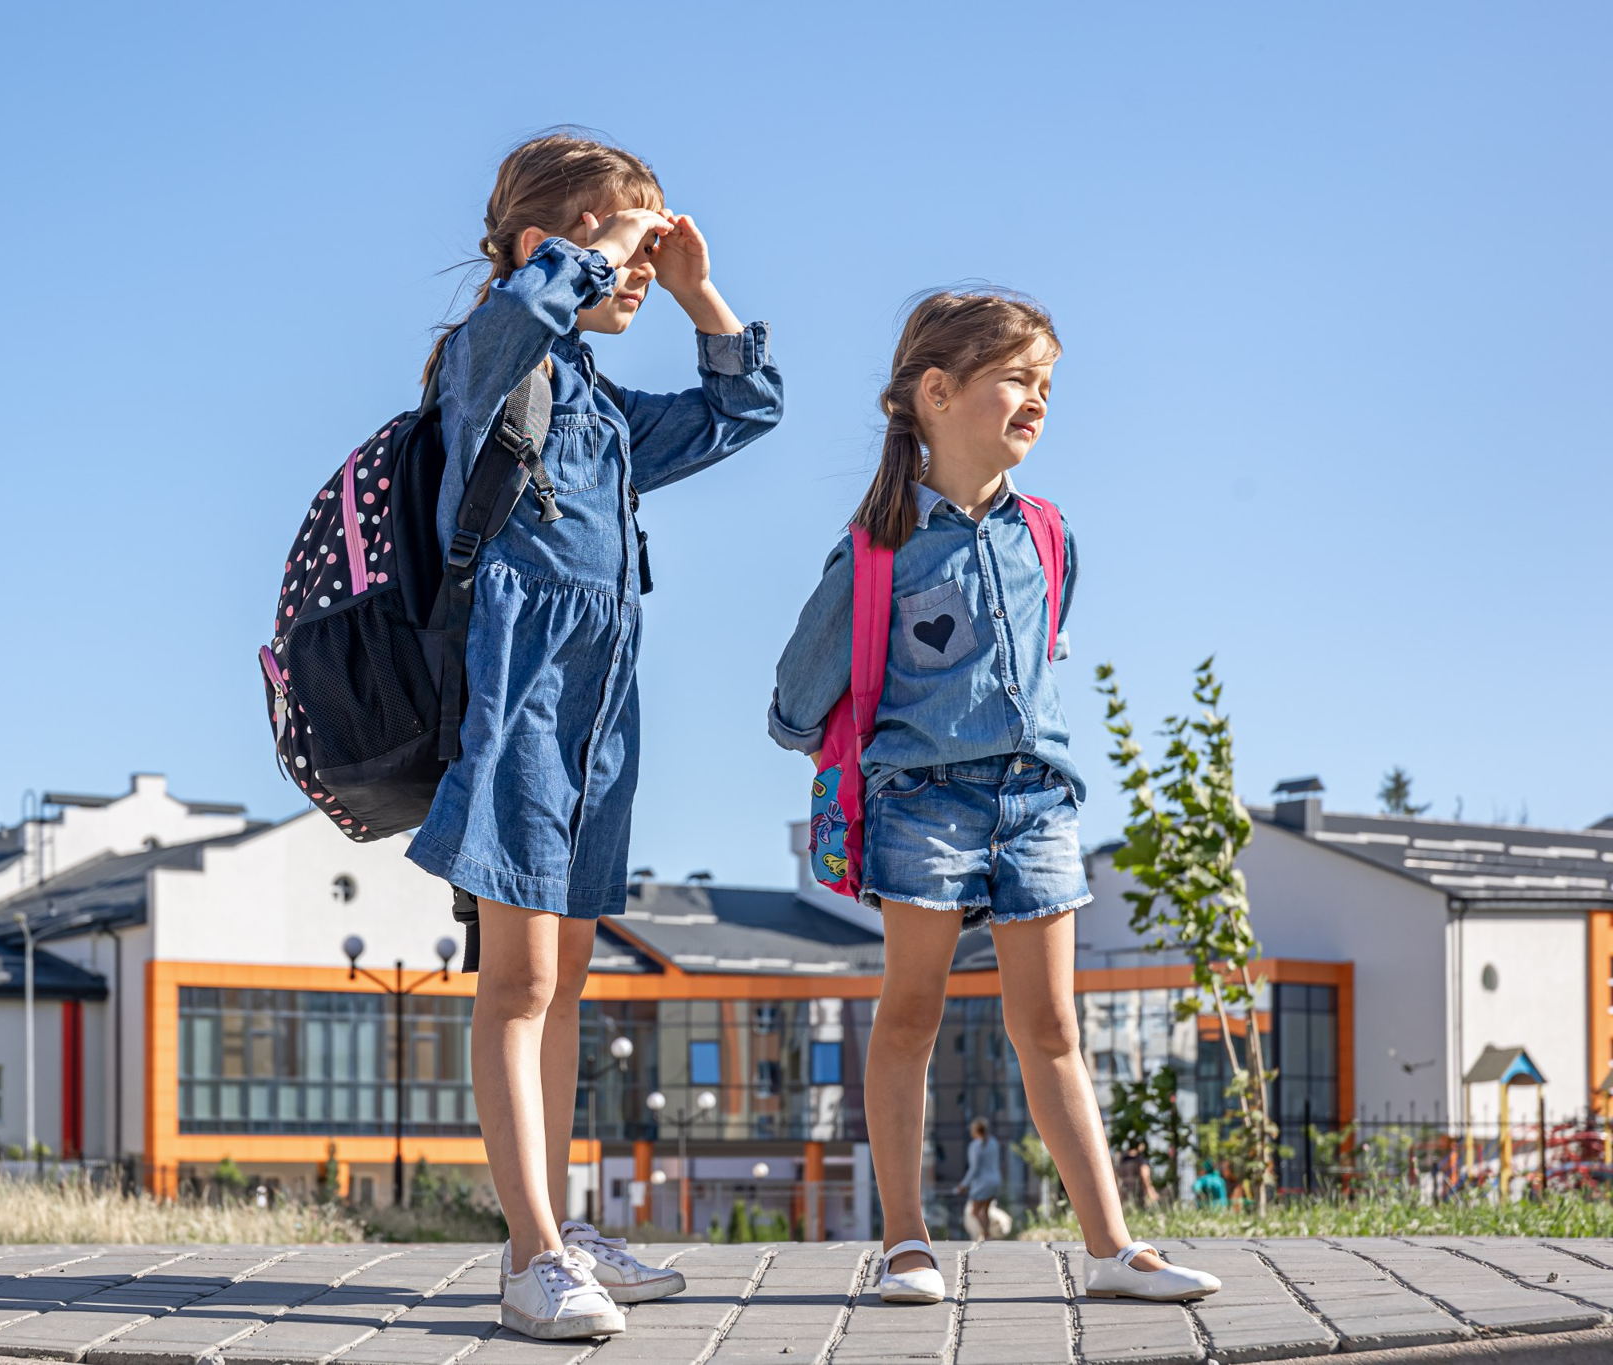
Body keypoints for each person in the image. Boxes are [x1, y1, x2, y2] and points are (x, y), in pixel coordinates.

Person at [768, 290, 1219, 1306]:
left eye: (1046, 382)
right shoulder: (875, 553)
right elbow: (795, 699)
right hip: (924, 806)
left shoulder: (1047, 536)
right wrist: (853, 747)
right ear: (935, 391)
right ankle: (905, 1243)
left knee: (1051, 1025)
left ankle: (1112, 1249)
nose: (1039, 399)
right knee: (910, 1015)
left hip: (1038, 804)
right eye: (1016, 378)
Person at [412, 131, 783, 1340]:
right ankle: (529, 1258)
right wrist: (598, 249)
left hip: (597, 715)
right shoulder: (488, 362)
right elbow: (522, 313)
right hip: (516, 702)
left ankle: (558, 1233)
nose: (635, 268)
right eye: (617, 242)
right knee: (517, 983)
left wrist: (695, 291)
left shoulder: (601, 406)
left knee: (566, 980)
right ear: (541, 247)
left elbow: (745, 409)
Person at [958, 1117, 1003, 1243]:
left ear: (975, 1131)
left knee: (975, 1211)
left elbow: (974, 1168)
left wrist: (964, 1184)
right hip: (995, 1180)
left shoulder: (975, 1145)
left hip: (983, 1183)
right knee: (985, 1211)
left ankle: (986, 1235)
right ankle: (987, 1235)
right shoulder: (993, 1142)